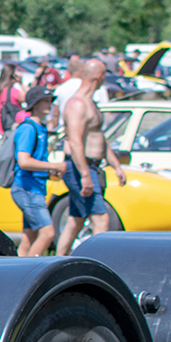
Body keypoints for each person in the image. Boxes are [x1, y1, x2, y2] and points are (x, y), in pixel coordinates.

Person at [56, 59, 127, 255]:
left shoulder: (90, 103)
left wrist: (116, 166)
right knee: (100, 219)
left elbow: (99, 139)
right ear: (99, 77)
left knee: (75, 221)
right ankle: (99, 264)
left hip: (91, 167)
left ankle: (55, 261)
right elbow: (76, 141)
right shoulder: (77, 104)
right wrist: (85, 175)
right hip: (80, 167)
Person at [9, 87, 65, 257]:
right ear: (34, 104)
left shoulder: (40, 128)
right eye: (45, 101)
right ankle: (31, 272)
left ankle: (16, 273)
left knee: (29, 237)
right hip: (27, 189)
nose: (50, 104)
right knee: (48, 233)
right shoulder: (28, 128)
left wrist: (48, 172)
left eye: (50, 100)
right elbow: (24, 162)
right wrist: (53, 166)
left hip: (34, 188)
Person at [0, 64, 22, 158]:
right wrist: (21, 83)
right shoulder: (13, 92)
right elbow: (32, 99)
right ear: (13, 76)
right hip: (6, 134)